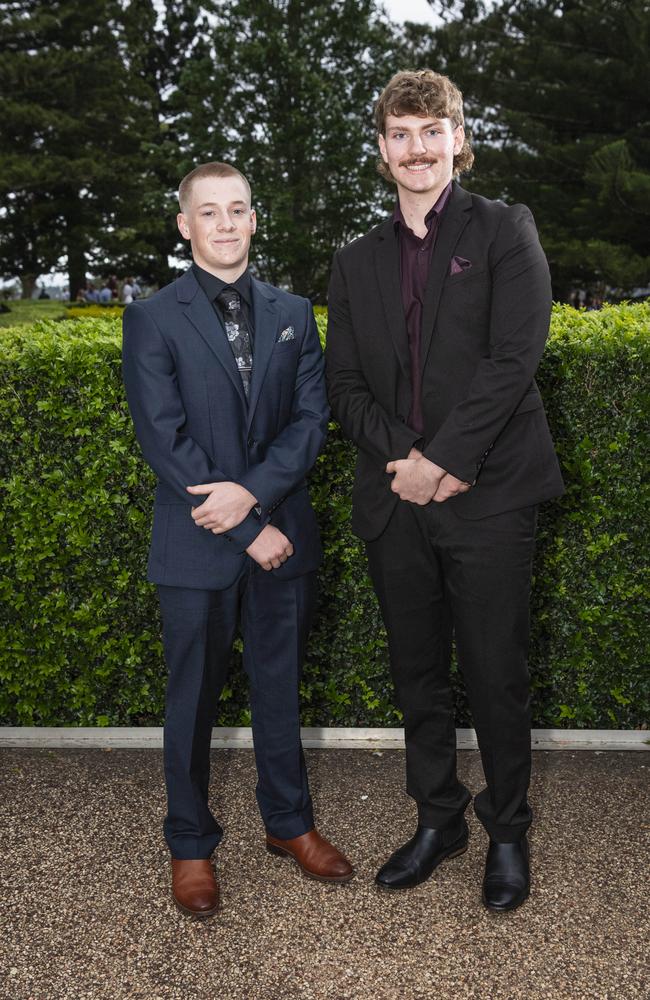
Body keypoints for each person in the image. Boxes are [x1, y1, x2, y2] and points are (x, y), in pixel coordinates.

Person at [326, 70, 564, 912]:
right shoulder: (354, 261)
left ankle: (506, 830)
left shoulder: (504, 230)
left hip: (490, 492)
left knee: (496, 672)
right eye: (400, 133)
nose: (417, 148)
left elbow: (514, 358)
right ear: (382, 148)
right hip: (397, 495)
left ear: (459, 139)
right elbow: (344, 382)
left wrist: (448, 461)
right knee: (416, 671)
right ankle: (439, 818)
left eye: (433, 131)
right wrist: (407, 460)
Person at [122, 162, 353, 919]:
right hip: (199, 548)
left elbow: (310, 422)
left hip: (285, 537)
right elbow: (166, 441)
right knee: (190, 700)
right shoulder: (154, 317)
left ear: (256, 220)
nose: (225, 223)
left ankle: (289, 826)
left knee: (280, 690)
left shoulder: (293, 311)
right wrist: (248, 528)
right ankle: (189, 843)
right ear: (184, 226)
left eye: (239, 209)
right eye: (209, 212)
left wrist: (255, 501)